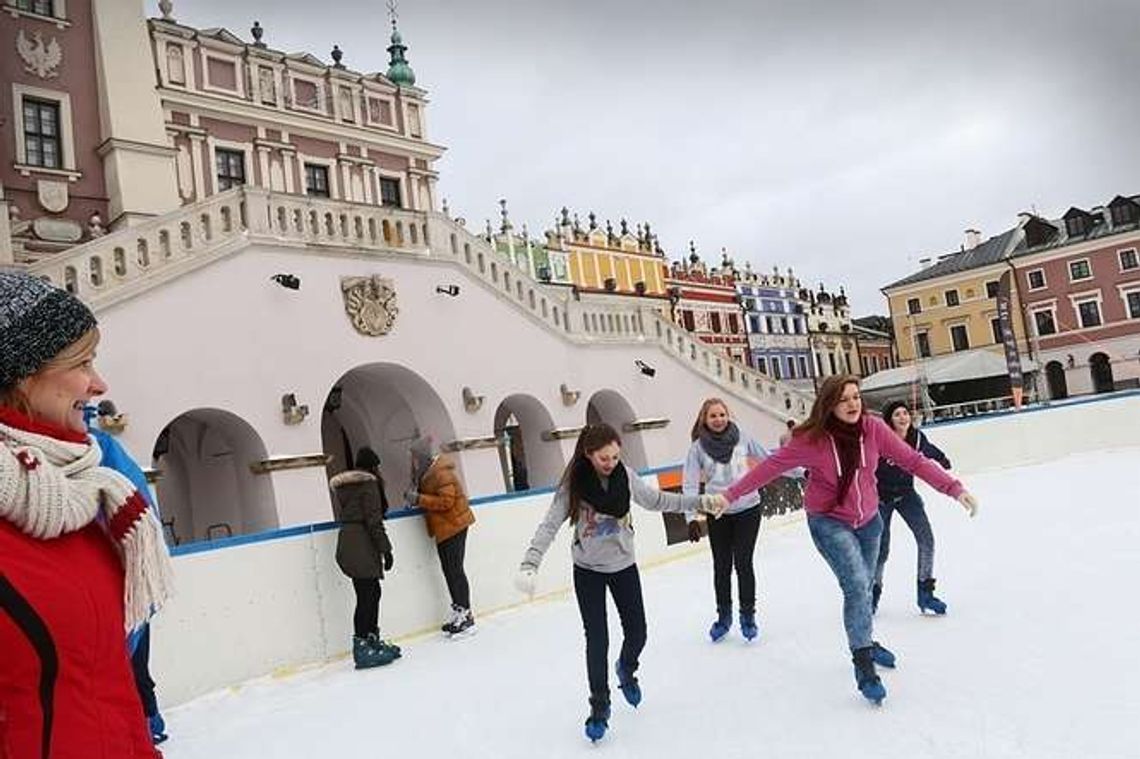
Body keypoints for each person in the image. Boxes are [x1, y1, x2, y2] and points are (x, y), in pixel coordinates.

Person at [721, 375, 977, 705]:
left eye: (856, 397)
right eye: (845, 399)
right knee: (857, 585)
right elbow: (769, 467)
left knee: (866, 585)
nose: (853, 404)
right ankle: (863, 664)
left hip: (869, 520)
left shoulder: (872, 428)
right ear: (829, 404)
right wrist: (729, 495)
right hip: (828, 521)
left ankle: (865, 639)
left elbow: (912, 460)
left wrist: (953, 488)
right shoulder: (810, 439)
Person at [0, 270, 174, 758]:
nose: (99, 385)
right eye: (82, 363)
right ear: (21, 374)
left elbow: (108, 687)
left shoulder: (91, 494)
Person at [514, 423, 727, 742]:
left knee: (638, 631)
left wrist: (699, 503)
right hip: (587, 570)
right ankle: (599, 707)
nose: (610, 463)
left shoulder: (625, 476)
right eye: (603, 458)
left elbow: (655, 500)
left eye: (615, 456)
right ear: (588, 454)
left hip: (623, 565)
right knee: (596, 639)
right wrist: (530, 563)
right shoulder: (574, 483)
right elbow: (549, 524)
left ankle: (626, 668)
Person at [85, 405, 170, 745]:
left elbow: (140, 522)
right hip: (118, 592)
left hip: (123, 591)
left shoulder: (101, 448)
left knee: (133, 671)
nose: (95, 384)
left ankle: (146, 724)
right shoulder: (100, 448)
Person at [682, 397, 769, 642]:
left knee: (743, 562)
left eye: (722, 414)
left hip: (747, 508)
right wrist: (691, 517)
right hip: (717, 512)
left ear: (727, 415)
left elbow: (769, 460)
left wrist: (800, 472)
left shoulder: (743, 437)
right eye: (713, 416)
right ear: (704, 419)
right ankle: (724, 616)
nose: (719, 419)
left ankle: (747, 615)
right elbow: (689, 483)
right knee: (721, 565)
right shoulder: (697, 448)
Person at [873, 401, 953, 615]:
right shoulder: (882, 440)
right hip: (881, 499)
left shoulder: (917, 438)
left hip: (907, 495)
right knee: (881, 549)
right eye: (897, 414)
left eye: (905, 413)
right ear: (889, 419)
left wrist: (942, 458)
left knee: (926, 539)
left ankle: (925, 592)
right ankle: (872, 592)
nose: (902, 417)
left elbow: (928, 450)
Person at [330, 446, 400, 668]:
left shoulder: (346, 488)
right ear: (373, 467)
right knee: (367, 595)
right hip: (362, 542)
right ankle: (362, 647)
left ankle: (371, 639)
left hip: (350, 541)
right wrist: (386, 549)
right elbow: (373, 520)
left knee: (370, 593)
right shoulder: (369, 484)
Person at [405, 434, 476, 637]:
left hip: (455, 524)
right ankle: (458, 610)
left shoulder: (441, 473)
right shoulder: (427, 473)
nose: (413, 462)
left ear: (422, 456)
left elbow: (447, 502)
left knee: (455, 570)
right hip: (445, 528)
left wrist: (419, 498)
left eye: (414, 458)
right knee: (449, 570)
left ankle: (467, 615)